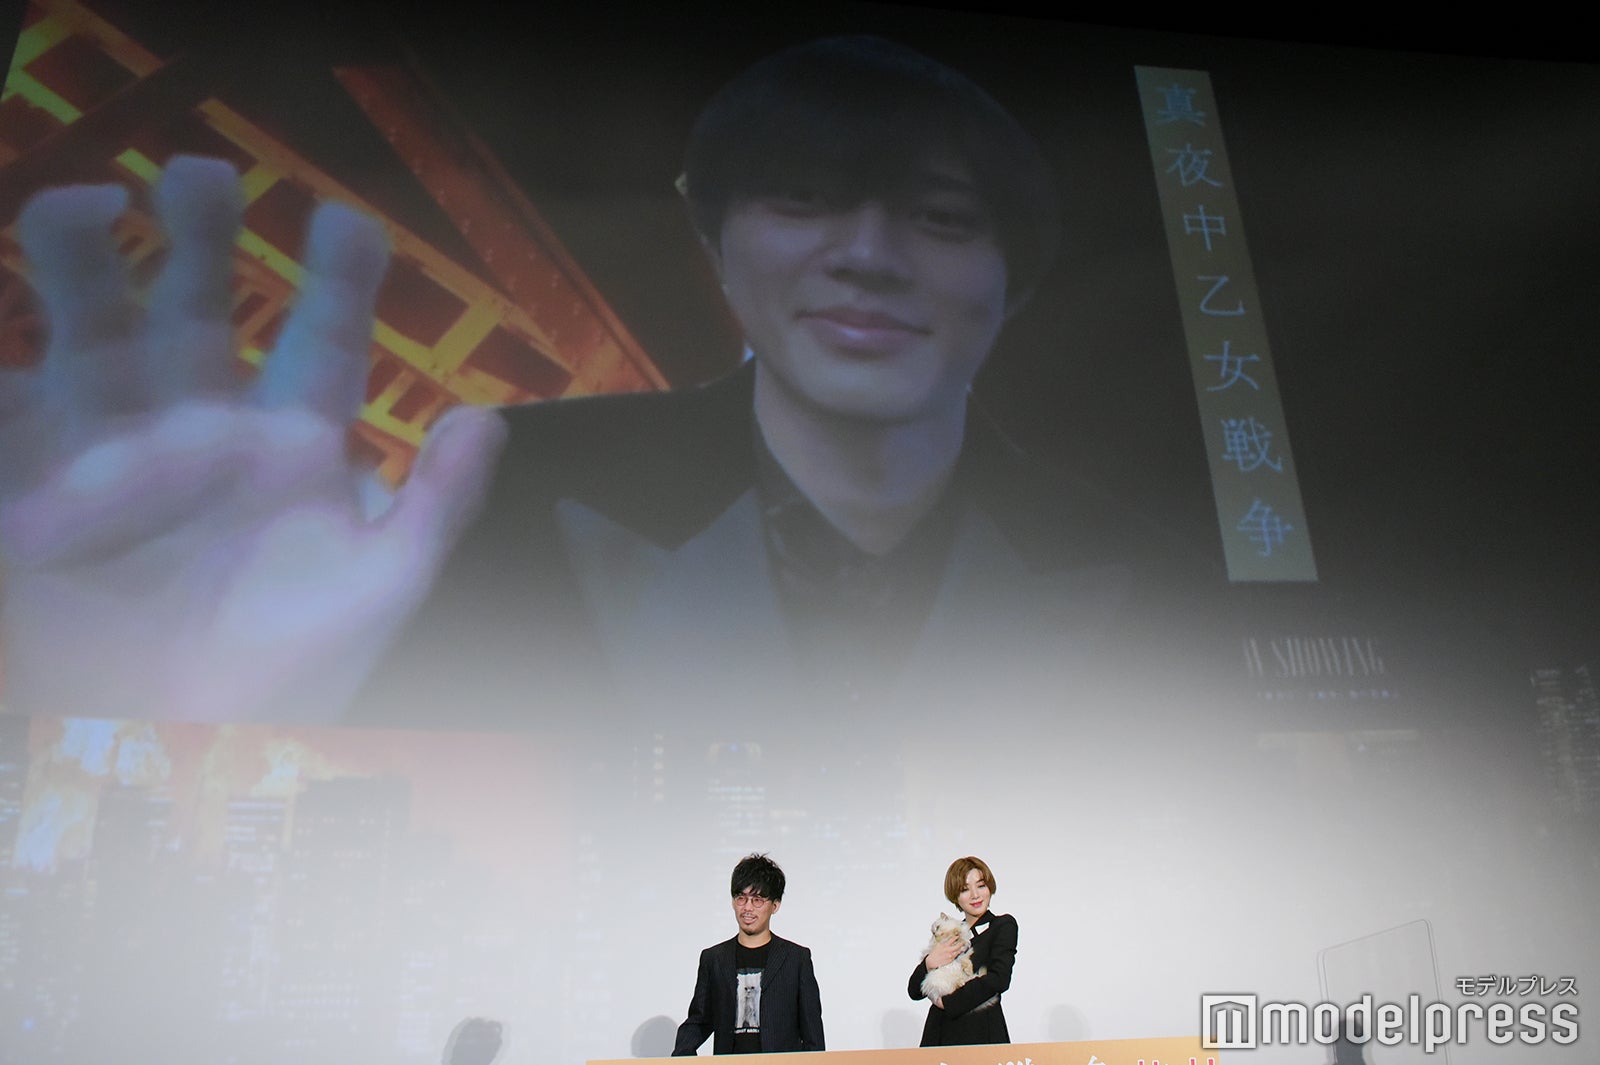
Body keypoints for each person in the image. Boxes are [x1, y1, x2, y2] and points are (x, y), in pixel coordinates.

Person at [0, 36, 1212, 730]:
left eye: (941, 217)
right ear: (717, 248)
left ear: (1016, 280)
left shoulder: (1163, 576)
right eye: (802, 199)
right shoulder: (503, 488)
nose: (867, 253)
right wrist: (183, 711)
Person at [673, 853, 823, 1055]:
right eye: (741, 898)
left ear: (775, 905)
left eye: (757, 900)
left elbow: (812, 1033)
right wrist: (681, 1055)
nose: (748, 908)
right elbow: (700, 1020)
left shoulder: (796, 959)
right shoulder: (714, 958)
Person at [908, 855, 1016, 1046]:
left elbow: (998, 978)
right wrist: (929, 963)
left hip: (982, 1033)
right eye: (965, 889)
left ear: (989, 887)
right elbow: (915, 991)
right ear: (955, 896)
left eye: (980, 886)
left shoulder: (1002, 925)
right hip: (940, 1034)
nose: (975, 895)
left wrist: (948, 1003)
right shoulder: (948, 932)